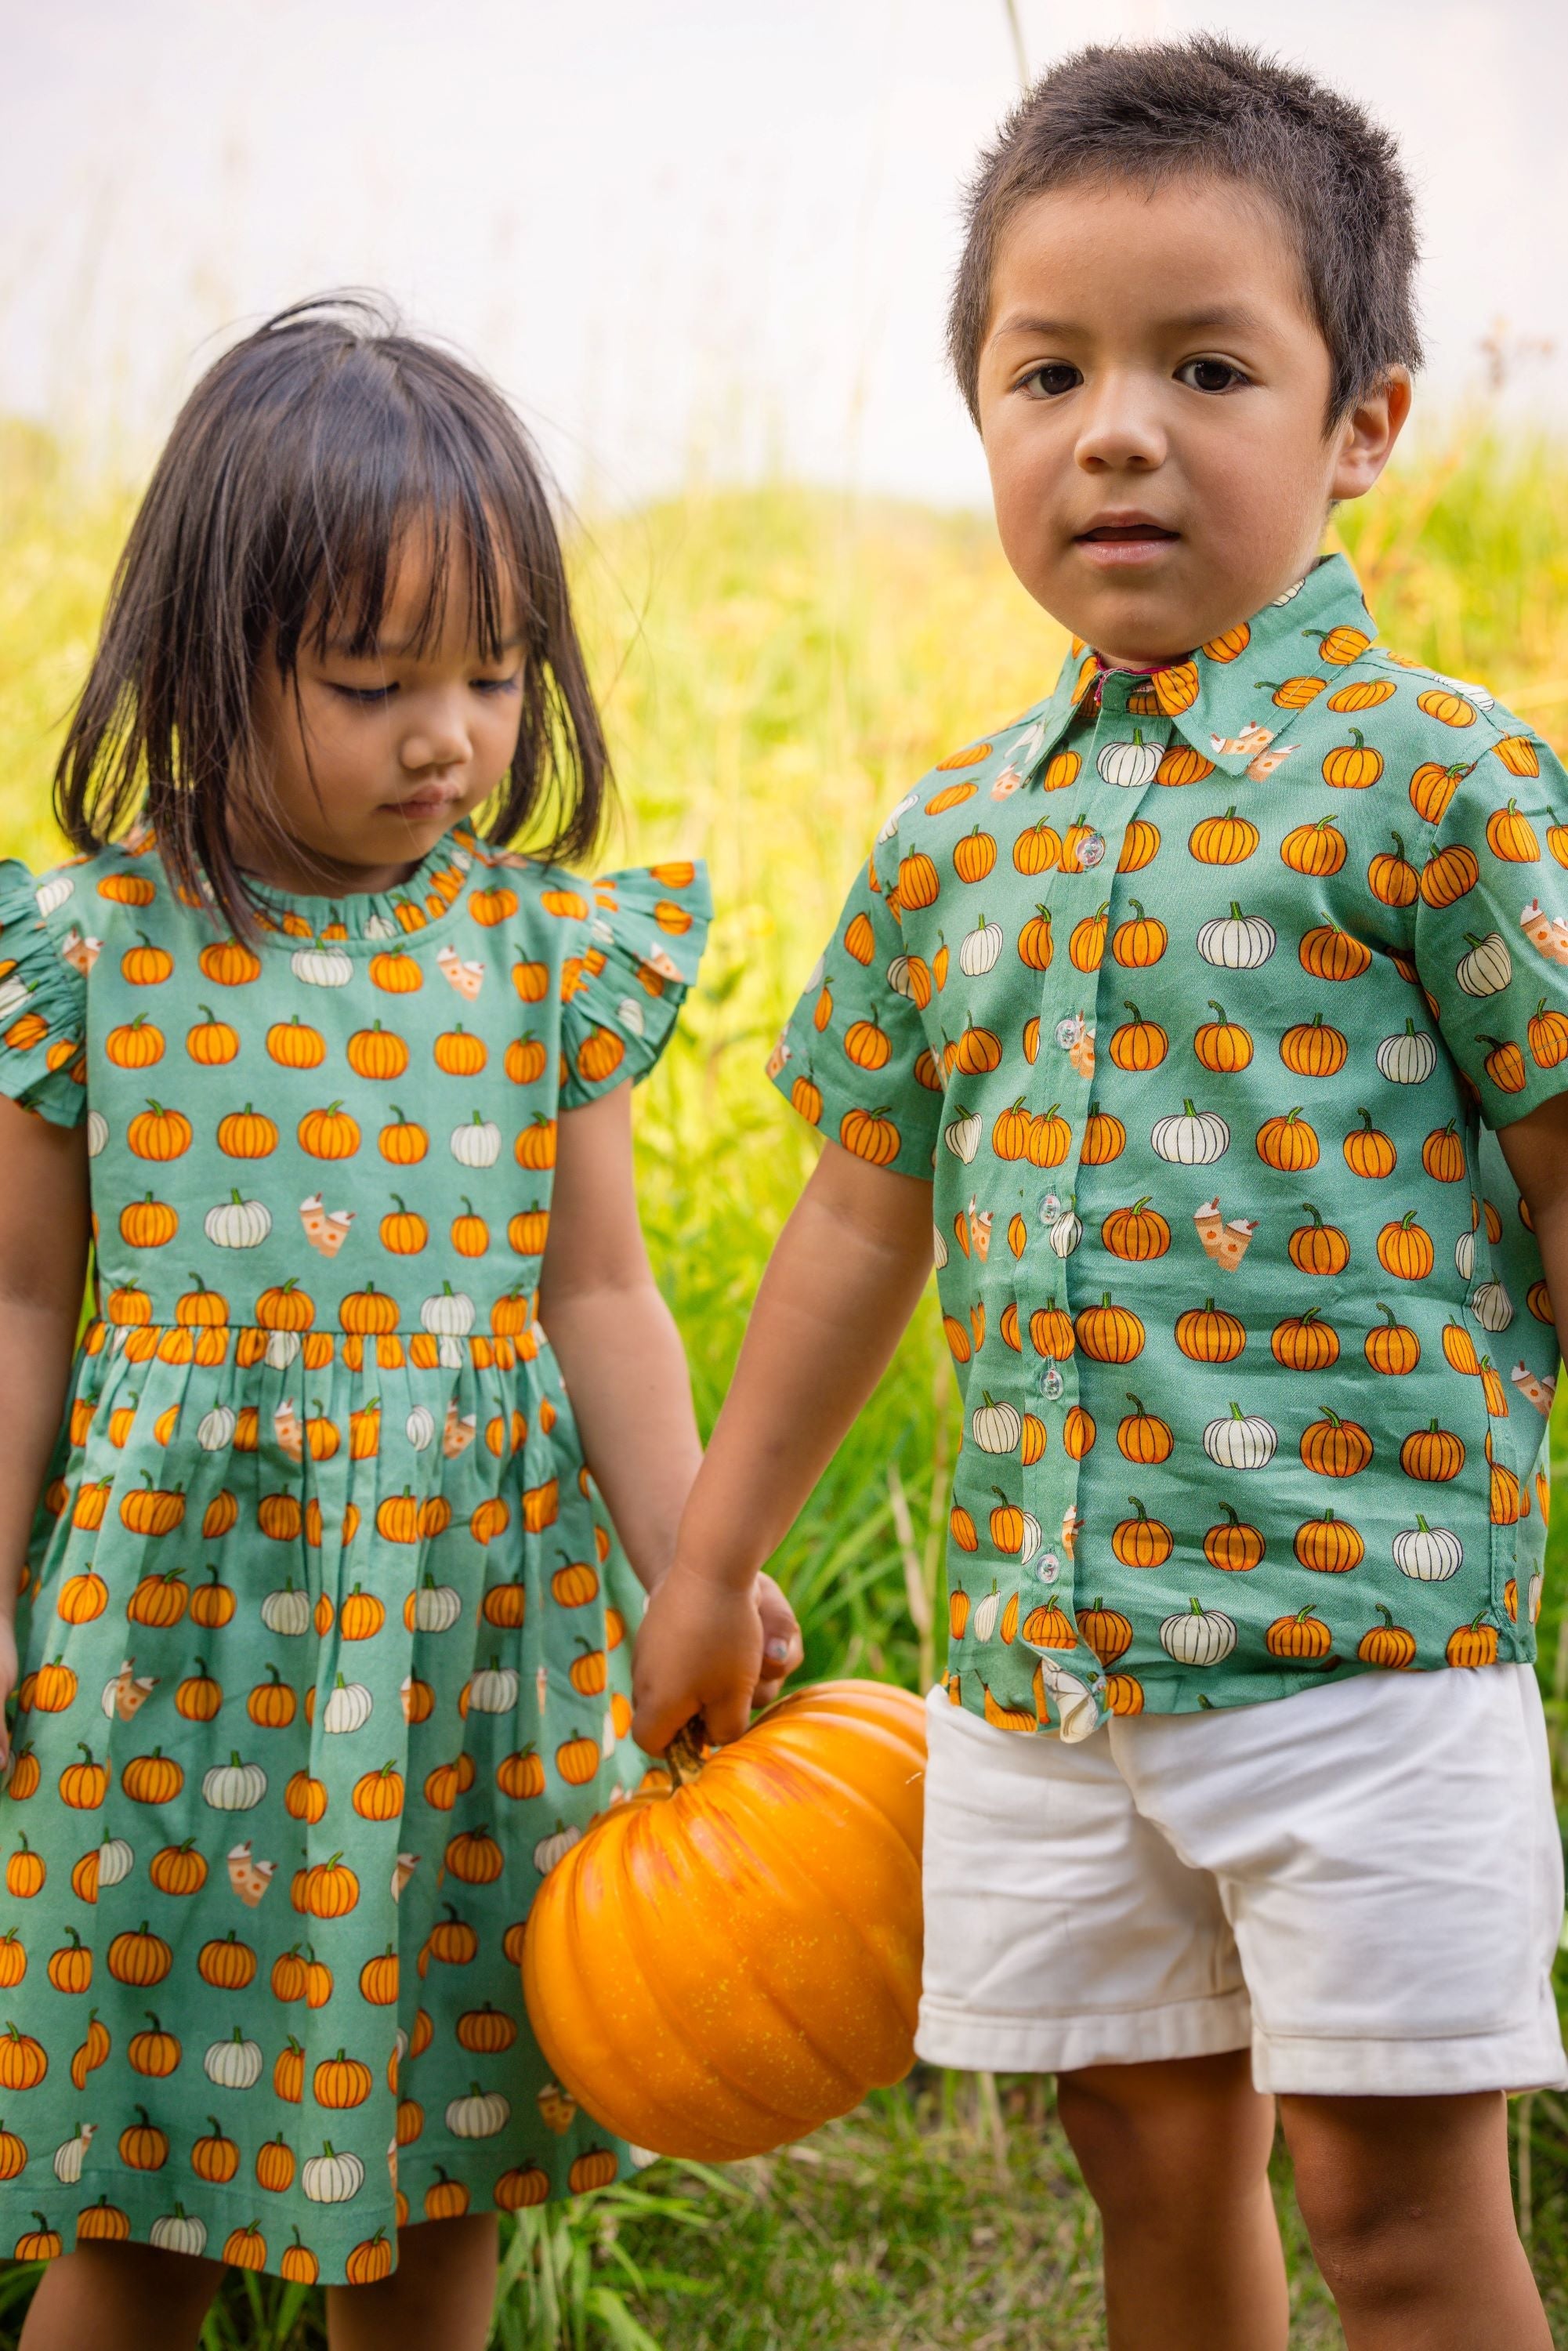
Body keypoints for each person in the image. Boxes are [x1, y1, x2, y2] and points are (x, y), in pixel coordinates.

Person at [632, 38, 1566, 2350]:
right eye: (1043, 371)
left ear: (1360, 424)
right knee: (1149, 2169)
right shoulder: (957, 833)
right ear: (980, 417)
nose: (1112, 428)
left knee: (1394, 2213)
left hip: (1357, 1654)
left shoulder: (1432, 785)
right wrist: (715, 1555)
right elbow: (861, 1213)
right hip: (1036, 1683)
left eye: (1203, 365)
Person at [0, 297, 800, 2348]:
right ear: (205, 658)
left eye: (495, 670)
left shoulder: (535, 953)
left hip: (465, 1652)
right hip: (182, 1656)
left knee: (443, 2146)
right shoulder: (92, 955)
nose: (452, 734)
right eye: (376, 682)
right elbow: (18, 1304)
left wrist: (692, 1554)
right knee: (137, 2195)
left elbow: (600, 1288)